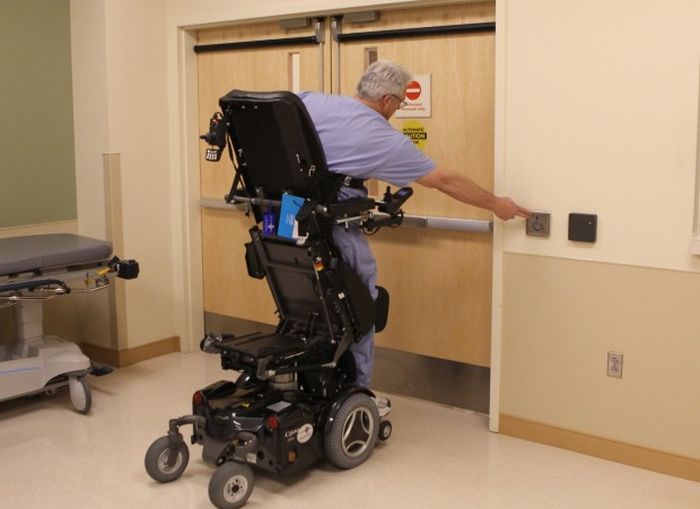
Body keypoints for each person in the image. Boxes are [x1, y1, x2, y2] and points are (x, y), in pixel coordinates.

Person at [298, 60, 531, 389]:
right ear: (388, 101)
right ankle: (355, 391)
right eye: (401, 103)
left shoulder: (310, 100)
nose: (398, 109)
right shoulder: (383, 139)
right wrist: (496, 204)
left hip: (288, 217)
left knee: (304, 295)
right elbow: (444, 180)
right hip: (331, 228)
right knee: (360, 305)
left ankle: (309, 375)